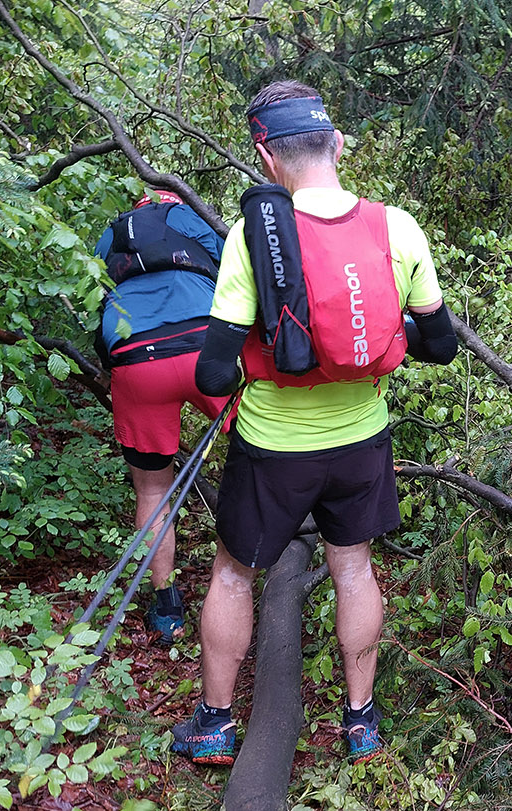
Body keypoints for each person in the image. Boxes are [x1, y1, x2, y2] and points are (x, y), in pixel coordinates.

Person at [169, 80, 459, 766]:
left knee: (234, 573)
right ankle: (361, 724)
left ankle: (215, 725)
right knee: (353, 568)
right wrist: (377, 338)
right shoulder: (398, 227)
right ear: (337, 144)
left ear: (266, 156)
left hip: (273, 446)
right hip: (362, 440)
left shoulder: (252, 238)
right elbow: (441, 345)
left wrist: (261, 358)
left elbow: (211, 375)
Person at [94, 187, 231, 645]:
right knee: (257, 448)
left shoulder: (110, 235)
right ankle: (242, 573)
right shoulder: (192, 219)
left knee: (153, 489)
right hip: (203, 348)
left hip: (136, 359)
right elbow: (237, 276)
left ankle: (167, 606)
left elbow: (95, 296)